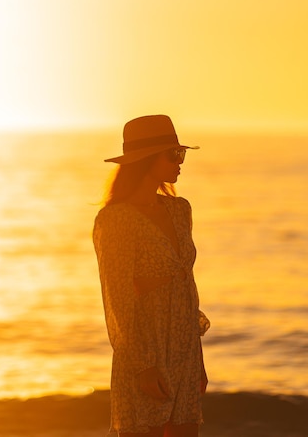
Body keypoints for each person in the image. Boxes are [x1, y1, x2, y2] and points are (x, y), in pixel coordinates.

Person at [93, 115, 210, 436]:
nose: (181, 162)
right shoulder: (115, 220)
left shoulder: (179, 210)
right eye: (173, 154)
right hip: (145, 350)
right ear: (145, 160)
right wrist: (143, 365)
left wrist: (197, 361)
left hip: (184, 349)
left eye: (181, 153)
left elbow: (187, 285)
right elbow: (116, 298)